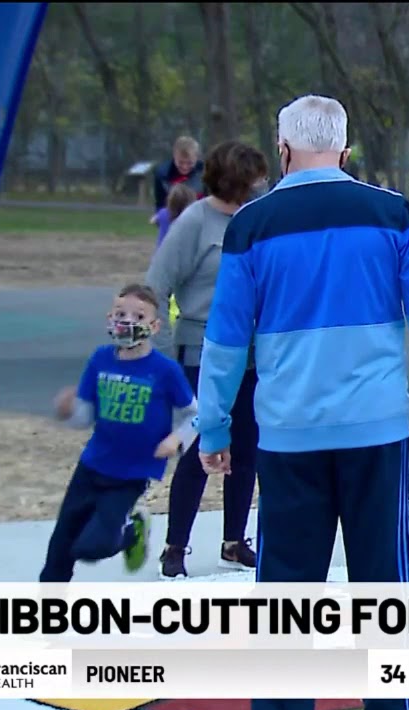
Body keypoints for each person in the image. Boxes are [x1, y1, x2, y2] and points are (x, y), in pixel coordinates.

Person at [194, 95, 409, 710]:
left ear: (283, 149)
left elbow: (225, 340)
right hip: (375, 433)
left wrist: (212, 425)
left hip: (289, 436)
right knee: (385, 591)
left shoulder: (250, 227)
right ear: (346, 152)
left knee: (285, 598)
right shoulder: (391, 214)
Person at [145, 140, 271, 581]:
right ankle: (175, 545)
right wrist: (158, 360)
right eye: (255, 180)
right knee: (200, 448)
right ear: (234, 180)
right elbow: (155, 287)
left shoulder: (258, 222)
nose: (262, 187)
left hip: (253, 355)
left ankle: (235, 541)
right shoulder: (195, 222)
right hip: (200, 352)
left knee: (248, 448)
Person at [39, 283, 198, 583]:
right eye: (120, 314)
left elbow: (193, 415)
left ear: (154, 325)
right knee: (60, 548)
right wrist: (67, 411)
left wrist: (176, 441)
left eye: (138, 316)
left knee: (91, 547)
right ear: (109, 319)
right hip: (92, 467)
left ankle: (131, 531)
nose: (128, 321)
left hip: (130, 476)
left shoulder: (165, 370)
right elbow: (85, 416)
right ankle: (45, 623)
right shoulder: (100, 360)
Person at [153, 136, 205, 213]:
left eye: (190, 163)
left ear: (196, 158)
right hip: (173, 217)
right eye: (180, 162)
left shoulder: (206, 172)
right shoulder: (162, 175)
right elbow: (160, 203)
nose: (185, 167)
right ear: (174, 156)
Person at [150, 183, 199, 254]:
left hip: (162, 253)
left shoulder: (163, 212)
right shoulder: (190, 217)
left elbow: (152, 221)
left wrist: (160, 223)